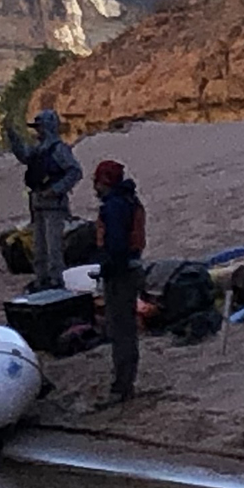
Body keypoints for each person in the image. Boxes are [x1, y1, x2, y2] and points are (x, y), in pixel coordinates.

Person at [5, 107, 82, 290]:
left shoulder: (59, 149)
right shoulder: (40, 150)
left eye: (39, 127)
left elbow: (75, 171)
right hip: (38, 204)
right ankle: (42, 279)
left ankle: (56, 280)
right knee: (38, 247)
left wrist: (56, 189)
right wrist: (13, 136)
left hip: (54, 205)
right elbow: (24, 155)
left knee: (54, 247)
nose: (36, 131)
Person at [93, 158, 147, 403]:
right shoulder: (128, 201)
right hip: (129, 270)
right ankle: (126, 382)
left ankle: (122, 386)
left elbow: (116, 245)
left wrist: (107, 268)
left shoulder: (114, 206)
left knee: (121, 329)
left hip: (121, 274)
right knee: (125, 329)